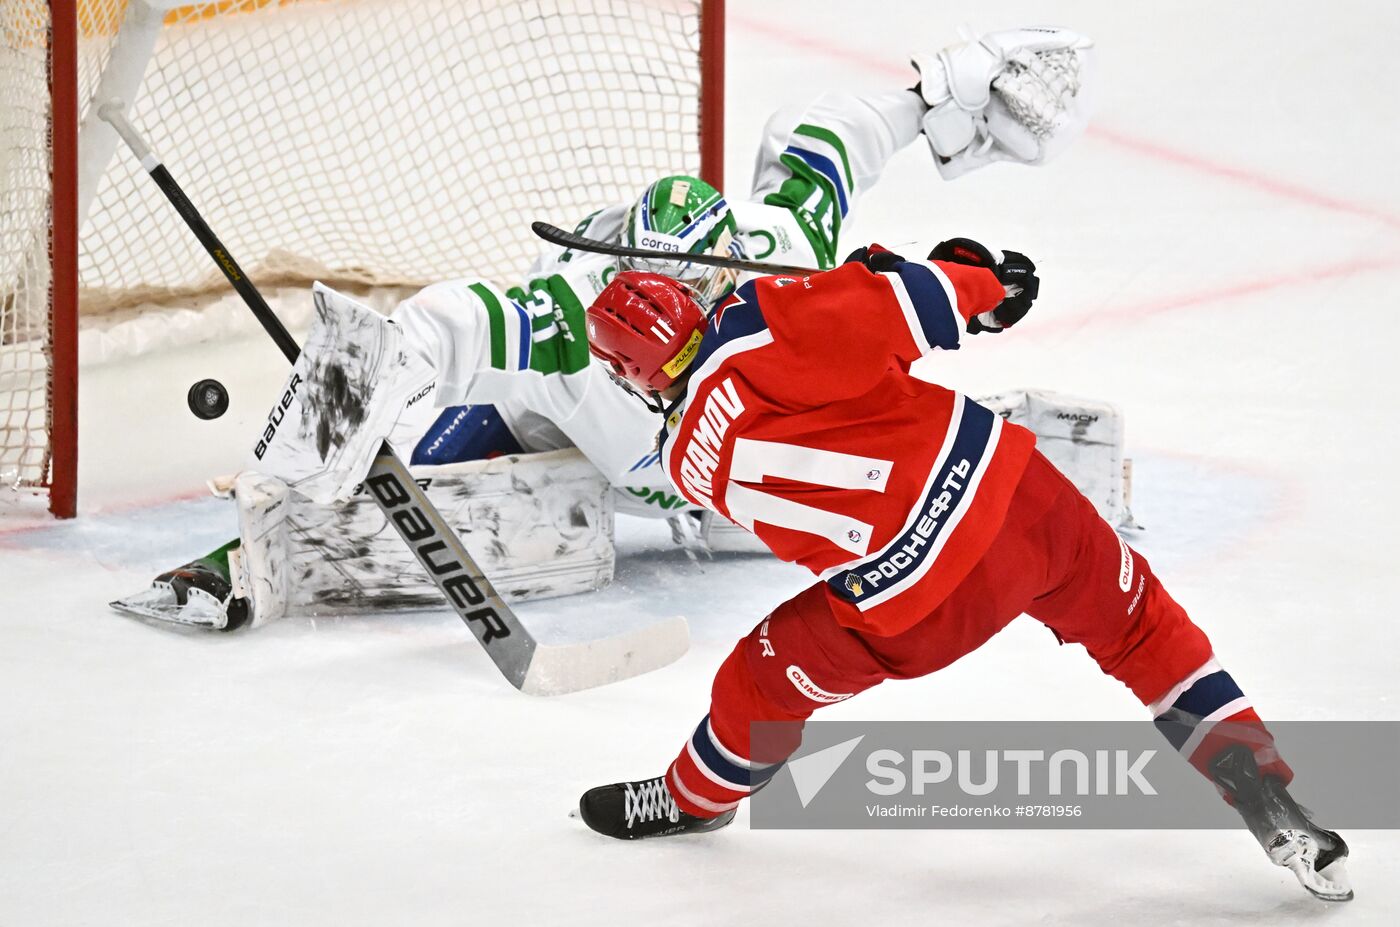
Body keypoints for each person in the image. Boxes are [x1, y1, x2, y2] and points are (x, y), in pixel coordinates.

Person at [114, 26, 1097, 631]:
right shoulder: (559, 325)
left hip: (738, 471)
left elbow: (829, 138)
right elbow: (427, 327)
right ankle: (261, 547)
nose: (654, 365)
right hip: (579, 449)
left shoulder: (777, 251)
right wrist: (295, 462)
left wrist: (934, 94)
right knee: (447, 454)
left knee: (887, 480)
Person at [568, 248, 1353, 903]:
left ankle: (693, 796)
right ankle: (1253, 774)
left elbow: (807, 378)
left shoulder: (683, 460)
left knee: (760, 677)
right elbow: (899, 307)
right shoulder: (762, 318)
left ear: (634, 376)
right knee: (1143, 628)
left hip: (917, 604)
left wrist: (864, 281)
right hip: (1020, 502)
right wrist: (976, 281)